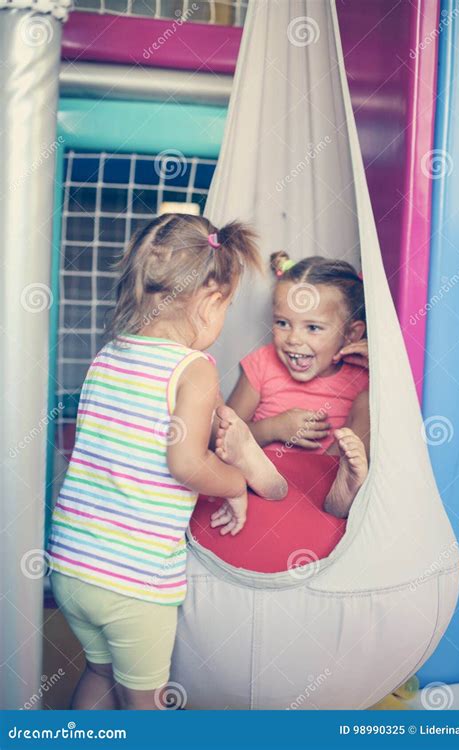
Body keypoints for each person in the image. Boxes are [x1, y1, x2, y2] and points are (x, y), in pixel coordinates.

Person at [47, 214, 286, 710]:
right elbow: (186, 463)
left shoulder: (108, 356)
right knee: (146, 704)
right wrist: (236, 484)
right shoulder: (192, 369)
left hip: (71, 564)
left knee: (99, 673)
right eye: (225, 308)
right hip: (132, 581)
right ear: (207, 304)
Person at [220, 251, 370, 519]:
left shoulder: (363, 377)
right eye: (282, 323)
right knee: (231, 431)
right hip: (264, 482)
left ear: (351, 334)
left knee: (371, 401)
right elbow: (223, 435)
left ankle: (342, 491)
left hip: (324, 487)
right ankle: (271, 483)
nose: (293, 339)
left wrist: (380, 369)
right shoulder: (263, 364)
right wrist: (273, 429)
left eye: (312, 328)